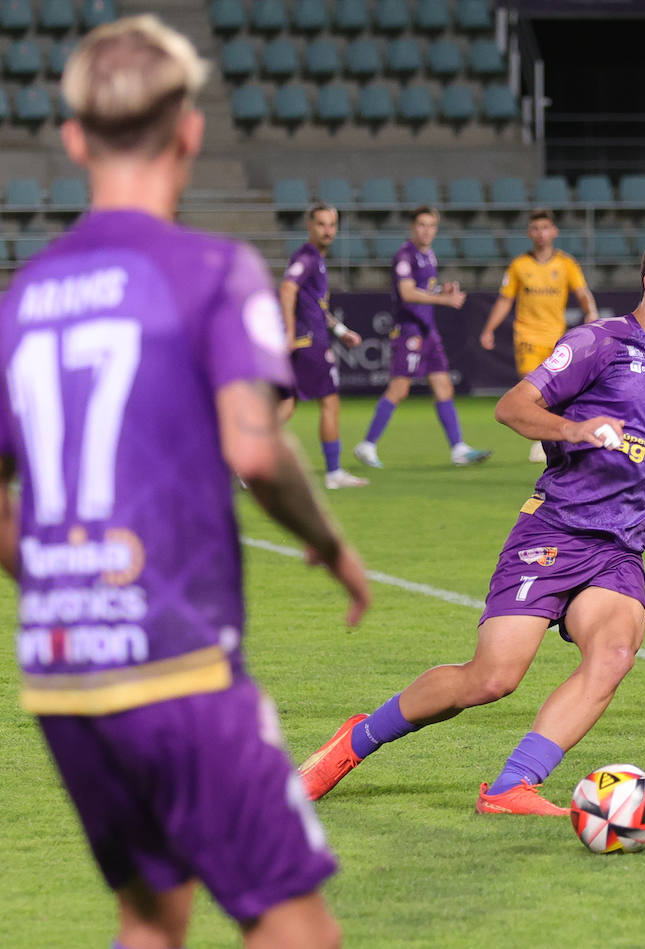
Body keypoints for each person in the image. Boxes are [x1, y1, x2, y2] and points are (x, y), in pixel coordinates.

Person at [0, 16, 371, 948]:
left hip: (62, 672)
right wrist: (327, 544)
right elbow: (253, 448)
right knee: (297, 929)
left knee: (152, 917)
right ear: (191, 130)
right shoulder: (211, 271)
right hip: (178, 663)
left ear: (77, 138)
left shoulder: (22, 298)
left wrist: (54, 577)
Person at [299, 224, 645, 814]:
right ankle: (356, 739)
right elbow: (513, 406)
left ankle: (509, 788)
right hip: (554, 533)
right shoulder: (599, 343)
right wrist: (572, 428)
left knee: (614, 653)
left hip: (619, 553)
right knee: (492, 679)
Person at [353, 206, 492, 469]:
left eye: (431, 225)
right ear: (412, 227)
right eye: (421, 225)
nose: (426, 230)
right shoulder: (404, 256)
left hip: (428, 331)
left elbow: (424, 289)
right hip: (409, 331)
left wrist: (441, 288)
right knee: (399, 389)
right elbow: (407, 293)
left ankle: (458, 449)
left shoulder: (429, 256)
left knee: (443, 386)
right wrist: (443, 299)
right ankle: (367, 444)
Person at [478, 208, 599, 462]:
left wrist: (591, 314)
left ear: (554, 231)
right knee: (531, 395)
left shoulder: (566, 264)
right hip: (528, 338)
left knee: (562, 395)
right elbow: (504, 300)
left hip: (558, 340)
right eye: (535, 229)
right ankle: (544, 442)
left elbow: (583, 292)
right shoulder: (519, 266)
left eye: (545, 228)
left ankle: (556, 440)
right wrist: (489, 329)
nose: (541, 234)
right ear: (529, 233)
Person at [280, 202, 370, 489]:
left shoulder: (315, 259)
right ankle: (333, 473)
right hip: (309, 343)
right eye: (321, 224)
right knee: (329, 402)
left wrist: (341, 329)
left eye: (332, 225)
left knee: (285, 406)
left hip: (308, 339)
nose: (328, 230)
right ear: (309, 226)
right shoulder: (307, 256)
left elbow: (318, 307)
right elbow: (287, 289)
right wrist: (289, 331)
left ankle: (238, 461)